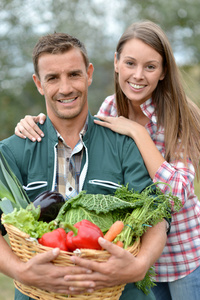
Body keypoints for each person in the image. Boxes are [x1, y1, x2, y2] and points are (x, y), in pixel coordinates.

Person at [15, 21, 200, 300]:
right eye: (130, 63)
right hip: (131, 257)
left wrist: (138, 133)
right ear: (116, 63)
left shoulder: (177, 116)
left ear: (163, 71)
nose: (138, 75)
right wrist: (34, 123)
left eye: (150, 66)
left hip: (180, 256)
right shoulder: (110, 108)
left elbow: (176, 195)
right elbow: (75, 132)